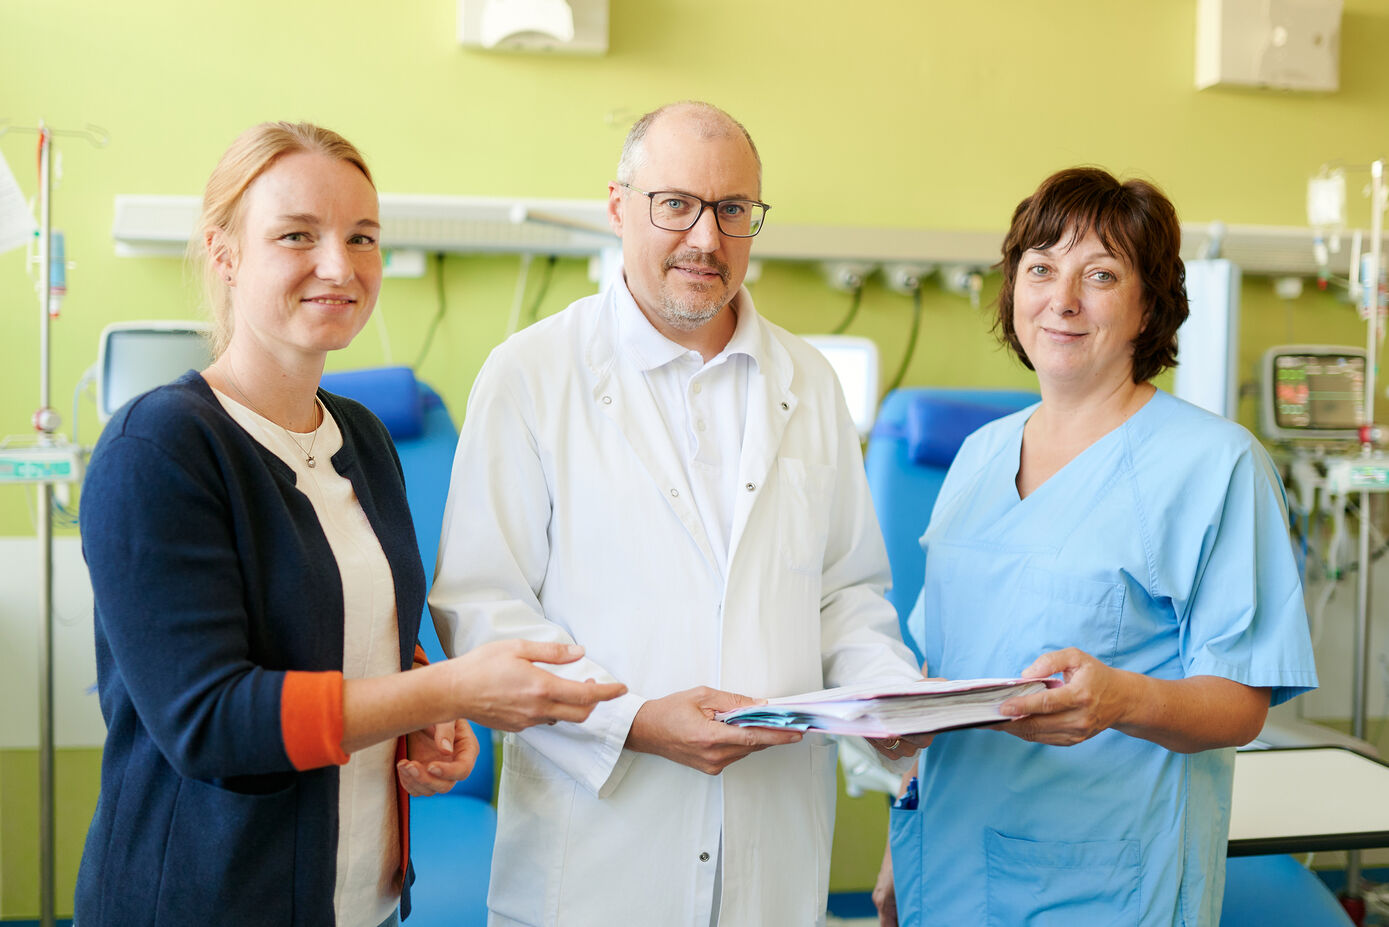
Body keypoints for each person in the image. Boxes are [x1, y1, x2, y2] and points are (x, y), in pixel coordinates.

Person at [74, 121, 625, 927]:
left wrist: (424, 715)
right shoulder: (159, 449)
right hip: (202, 900)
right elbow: (211, 721)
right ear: (224, 254)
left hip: (353, 899)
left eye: (362, 237)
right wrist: (448, 687)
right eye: (297, 235)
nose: (340, 265)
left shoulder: (362, 438)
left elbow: (346, 626)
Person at [428, 101, 925, 926]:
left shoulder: (808, 382)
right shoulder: (531, 374)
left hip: (769, 851)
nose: (706, 238)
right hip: (595, 853)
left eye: (733, 211)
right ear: (619, 206)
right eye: (676, 205)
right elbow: (482, 611)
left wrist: (886, 699)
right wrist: (631, 722)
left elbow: (846, 595)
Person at [873, 167, 1318, 927]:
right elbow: (941, 671)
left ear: (1150, 306)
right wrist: (899, 844)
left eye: (1100, 275)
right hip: (941, 864)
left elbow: (1241, 704)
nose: (1062, 299)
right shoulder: (977, 457)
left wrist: (1121, 700)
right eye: (1040, 268)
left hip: (1107, 880)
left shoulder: (1214, 466)